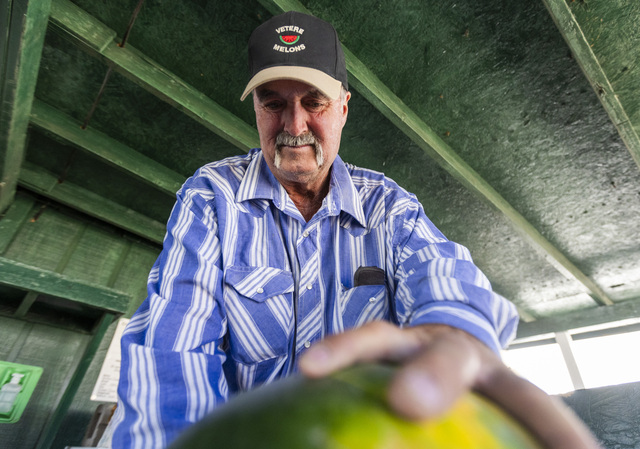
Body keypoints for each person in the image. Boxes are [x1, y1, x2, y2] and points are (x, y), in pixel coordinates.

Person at [108, 11, 601, 449]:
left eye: (314, 101)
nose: (293, 124)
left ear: (343, 106)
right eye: (272, 102)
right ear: (255, 108)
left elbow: (443, 271)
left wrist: (454, 333)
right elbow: (173, 351)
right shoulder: (211, 196)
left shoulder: (388, 205)